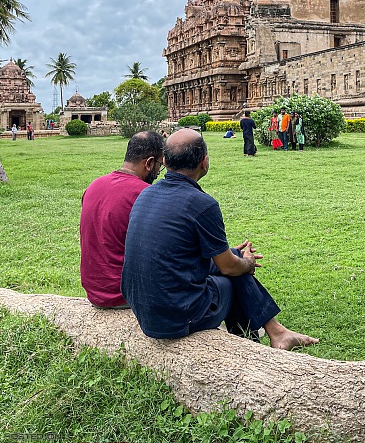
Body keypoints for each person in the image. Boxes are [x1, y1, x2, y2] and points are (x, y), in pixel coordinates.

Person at [121, 129, 319, 349]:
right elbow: (228, 268)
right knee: (233, 276)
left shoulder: (146, 194)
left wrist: (235, 258)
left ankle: (276, 332)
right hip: (175, 316)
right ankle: (253, 347)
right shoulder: (202, 204)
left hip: (142, 307)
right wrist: (247, 263)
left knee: (233, 261)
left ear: (165, 161)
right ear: (204, 162)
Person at [79, 131, 165, 309]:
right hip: (123, 294)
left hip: (94, 291)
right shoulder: (144, 194)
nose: (158, 172)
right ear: (149, 163)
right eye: (159, 165)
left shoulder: (94, 185)